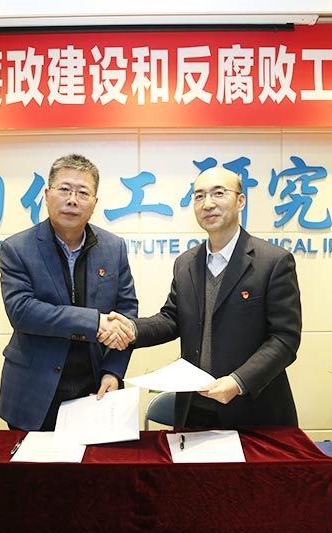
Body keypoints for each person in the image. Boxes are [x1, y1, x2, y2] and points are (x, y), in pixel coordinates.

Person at [102, 165, 302, 428]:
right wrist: (132, 329)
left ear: (240, 201)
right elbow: (171, 318)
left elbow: (284, 339)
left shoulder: (273, 262)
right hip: (194, 410)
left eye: (218, 193)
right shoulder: (186, 263)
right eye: (199, 196)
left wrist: (238, 381)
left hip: (253, 411)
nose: (208, 204)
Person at [0, 153, 137, 431]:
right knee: (31, 461)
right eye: (64, 189)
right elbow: (22, 311)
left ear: (94, 202)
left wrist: (113, 371)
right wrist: (94, 322)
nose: (72, 200)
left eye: (83, 192)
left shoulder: (114, 248)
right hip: (33, 391)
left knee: (96, 461)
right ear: (47, 195)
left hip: (94, 387)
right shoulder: (17, 248)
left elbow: (126, 314)